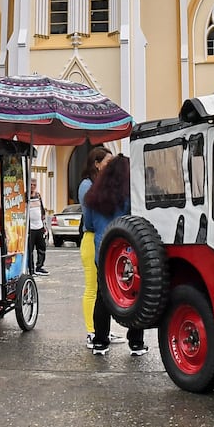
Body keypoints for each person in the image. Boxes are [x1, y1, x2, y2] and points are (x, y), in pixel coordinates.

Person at [83, 153, 146, 356]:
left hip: (102, 250)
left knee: (103, 295)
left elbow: (89, 225)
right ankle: (135, 343)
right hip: (127, 251)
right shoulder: (129, 196)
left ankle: (101, 341)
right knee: (135, 295)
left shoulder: (93, 194)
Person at [78, 146, 116, 347]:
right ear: (97, 164)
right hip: (92, 238)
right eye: (108, 163)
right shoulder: (87, 185)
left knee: (105, 289)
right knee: (93, 288)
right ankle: (92, 331)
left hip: (103, 238)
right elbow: (90, 215)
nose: (111, 167)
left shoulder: (103, 184)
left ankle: (103, 330)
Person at [27, 180, 49, 276]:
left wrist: (44, 223)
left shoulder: (38, 196)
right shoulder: (25, 196)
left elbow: (42, 209)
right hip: (30, 228)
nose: (32, 186)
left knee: (41, 248)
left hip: (39, 226)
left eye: (34, 185)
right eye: (31, 185)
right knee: (30, 249)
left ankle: (39, 267)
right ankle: (31, 269)